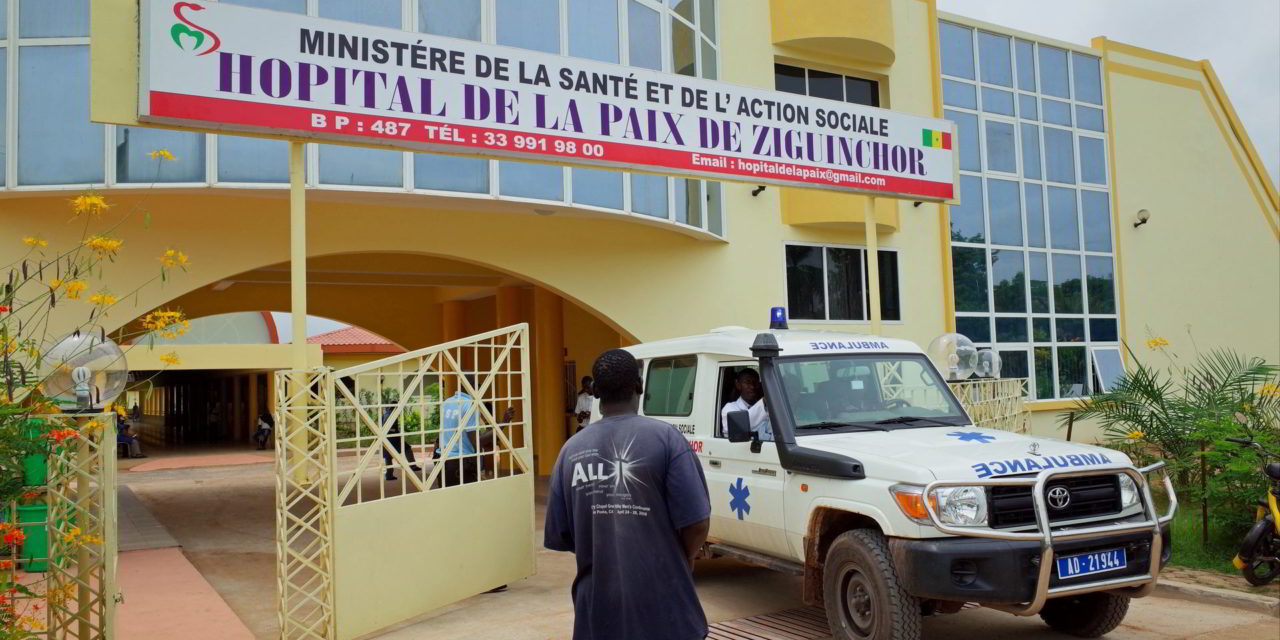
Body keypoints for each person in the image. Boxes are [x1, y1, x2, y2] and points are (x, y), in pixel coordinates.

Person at [545, 349, 711, 640]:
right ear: (640, 386)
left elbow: (563, 534)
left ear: (595, 391)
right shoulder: (667, 439)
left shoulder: (570, 451)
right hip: (665, 608)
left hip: (597, 612)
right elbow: (697, 522)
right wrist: (682, 559)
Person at [435, 380, 493, 487]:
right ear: (472, 386)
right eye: (479, 385)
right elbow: (477, 442)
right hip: (461, 463)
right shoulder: (469, 405)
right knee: (467, 500)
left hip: (443, 459)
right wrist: (503, 424)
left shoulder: (447, 402)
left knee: (448, 500)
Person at [720, 368, 773, 441]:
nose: (752, 387)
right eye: (747, 382)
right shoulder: (729, 408)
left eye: (755, 383)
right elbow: (741, 426)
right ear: (738, 385)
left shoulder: (768, 407)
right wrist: (764, 401)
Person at [382, 405, 421, 481]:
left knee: (388, 456)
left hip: (385, 438)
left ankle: (389, 475)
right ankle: (412, 465)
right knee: (407, 448)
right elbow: (389, 428)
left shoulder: (385, 413)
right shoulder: (391, 413)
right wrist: (397, 432)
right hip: (393, 438)